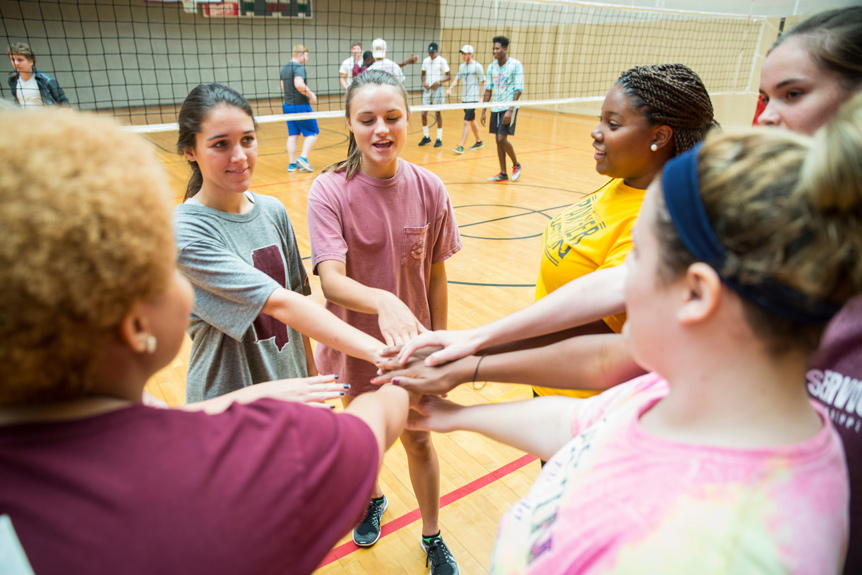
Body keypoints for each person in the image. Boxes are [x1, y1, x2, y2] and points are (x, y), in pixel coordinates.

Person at [395, 7, 862, 573]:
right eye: (766, 98)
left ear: (698, 292)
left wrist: (472, 362)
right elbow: (585, 424)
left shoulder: (720, 536)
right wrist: (452, 411)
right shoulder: (678, 391)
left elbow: (610, 363)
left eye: (791, 93)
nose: (765, 120)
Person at [0, 105, 419, 575]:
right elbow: (373, 422)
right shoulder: (229, 470)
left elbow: (156, 424)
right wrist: (404, 363)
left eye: (247, 139)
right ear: (134, 325)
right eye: (163, 271)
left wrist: (249, 399)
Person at [307, 69, 462, 575]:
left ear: (408, 119)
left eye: (393, 118)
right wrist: (383, 301)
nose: (381, 130)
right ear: (349, 122)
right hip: (353, 345)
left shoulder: (430, 187)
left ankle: (432, 533)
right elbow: (330, 281)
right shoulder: (328, 191)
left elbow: (436, 274)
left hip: (413, 350)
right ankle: (372, 498)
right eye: (367, 118)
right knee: (363, 438)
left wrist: (442, 342)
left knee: (419, 438)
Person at [173, 83, 386, 403]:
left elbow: (297, 309)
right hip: (228, 408)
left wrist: (312, 380)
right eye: (220, 144)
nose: (239, 156)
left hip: (293, 394)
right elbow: (279, 303)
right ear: (190, 151)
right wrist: (383, 353)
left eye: (247, 139)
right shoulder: (186, 231)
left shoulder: (273, 210)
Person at [482, 36, 523, 182]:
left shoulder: (516, 65)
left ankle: (516, 164)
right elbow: (488, 89)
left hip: (508, 107)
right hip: (495, 107)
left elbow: (519, 89)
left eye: (497, 48)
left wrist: (511, 108)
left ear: (505, 49)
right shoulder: (491, 67)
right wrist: (483, 110)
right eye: (493, 48)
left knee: (501, 138)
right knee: (497, 140)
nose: (494, 51)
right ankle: (503, 173)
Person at [280, 43, 318, 172]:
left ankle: (292, 164)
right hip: (300, 105)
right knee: (313, 133)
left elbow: (282, 87)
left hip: (287, 105)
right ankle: (303, 158)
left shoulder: (285, 68)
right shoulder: (299, 67)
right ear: (300, 55)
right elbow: (299, 84)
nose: (307, 59)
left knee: (293, 135)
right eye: (306, 56)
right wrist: (311, 94)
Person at [447, 44, 485, 154]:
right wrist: (450, 88)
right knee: (471, 120)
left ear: (471, 54)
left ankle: (461, 146)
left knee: (466, 122)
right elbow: (457, 79)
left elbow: (483, 82)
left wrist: (482, 98)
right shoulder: (462, 67)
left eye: (465, 54)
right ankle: (479, 141)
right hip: (465, 99)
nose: (463, 56)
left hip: (473, 99)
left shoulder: (477, 66)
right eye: (462, 53)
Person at [6, 42, 69, 107]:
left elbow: (64, 102)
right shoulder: (12, 79)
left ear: (31, 61)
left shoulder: (46, 80)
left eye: (20, 60)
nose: (16, 63)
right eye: (12, 60)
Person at [418, 42, 450, 148]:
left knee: (437, 113)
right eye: (429, 52)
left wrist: (438, 82)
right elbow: (422, 74)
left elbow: (448, 76)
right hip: (428, 89)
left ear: (436, 51)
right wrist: (424, 82)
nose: (431, 54)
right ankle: (426, 136)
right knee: (423, 113)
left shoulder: (442, 61)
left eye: (432, 52)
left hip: (437, 89)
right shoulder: (426, 61)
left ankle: (439, 138)